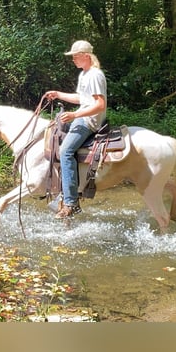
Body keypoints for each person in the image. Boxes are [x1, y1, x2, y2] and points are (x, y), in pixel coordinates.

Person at [44, 40, 107, 218]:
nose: (73, 60)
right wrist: (58, 94)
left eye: (75, 56)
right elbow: (81, 98)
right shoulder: (84, 74)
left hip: (89, 121)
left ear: (86, 56)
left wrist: (74, 116)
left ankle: (71, 202)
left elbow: (100, 105)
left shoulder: (95, 75)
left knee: (65, 151)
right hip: (83, 117)